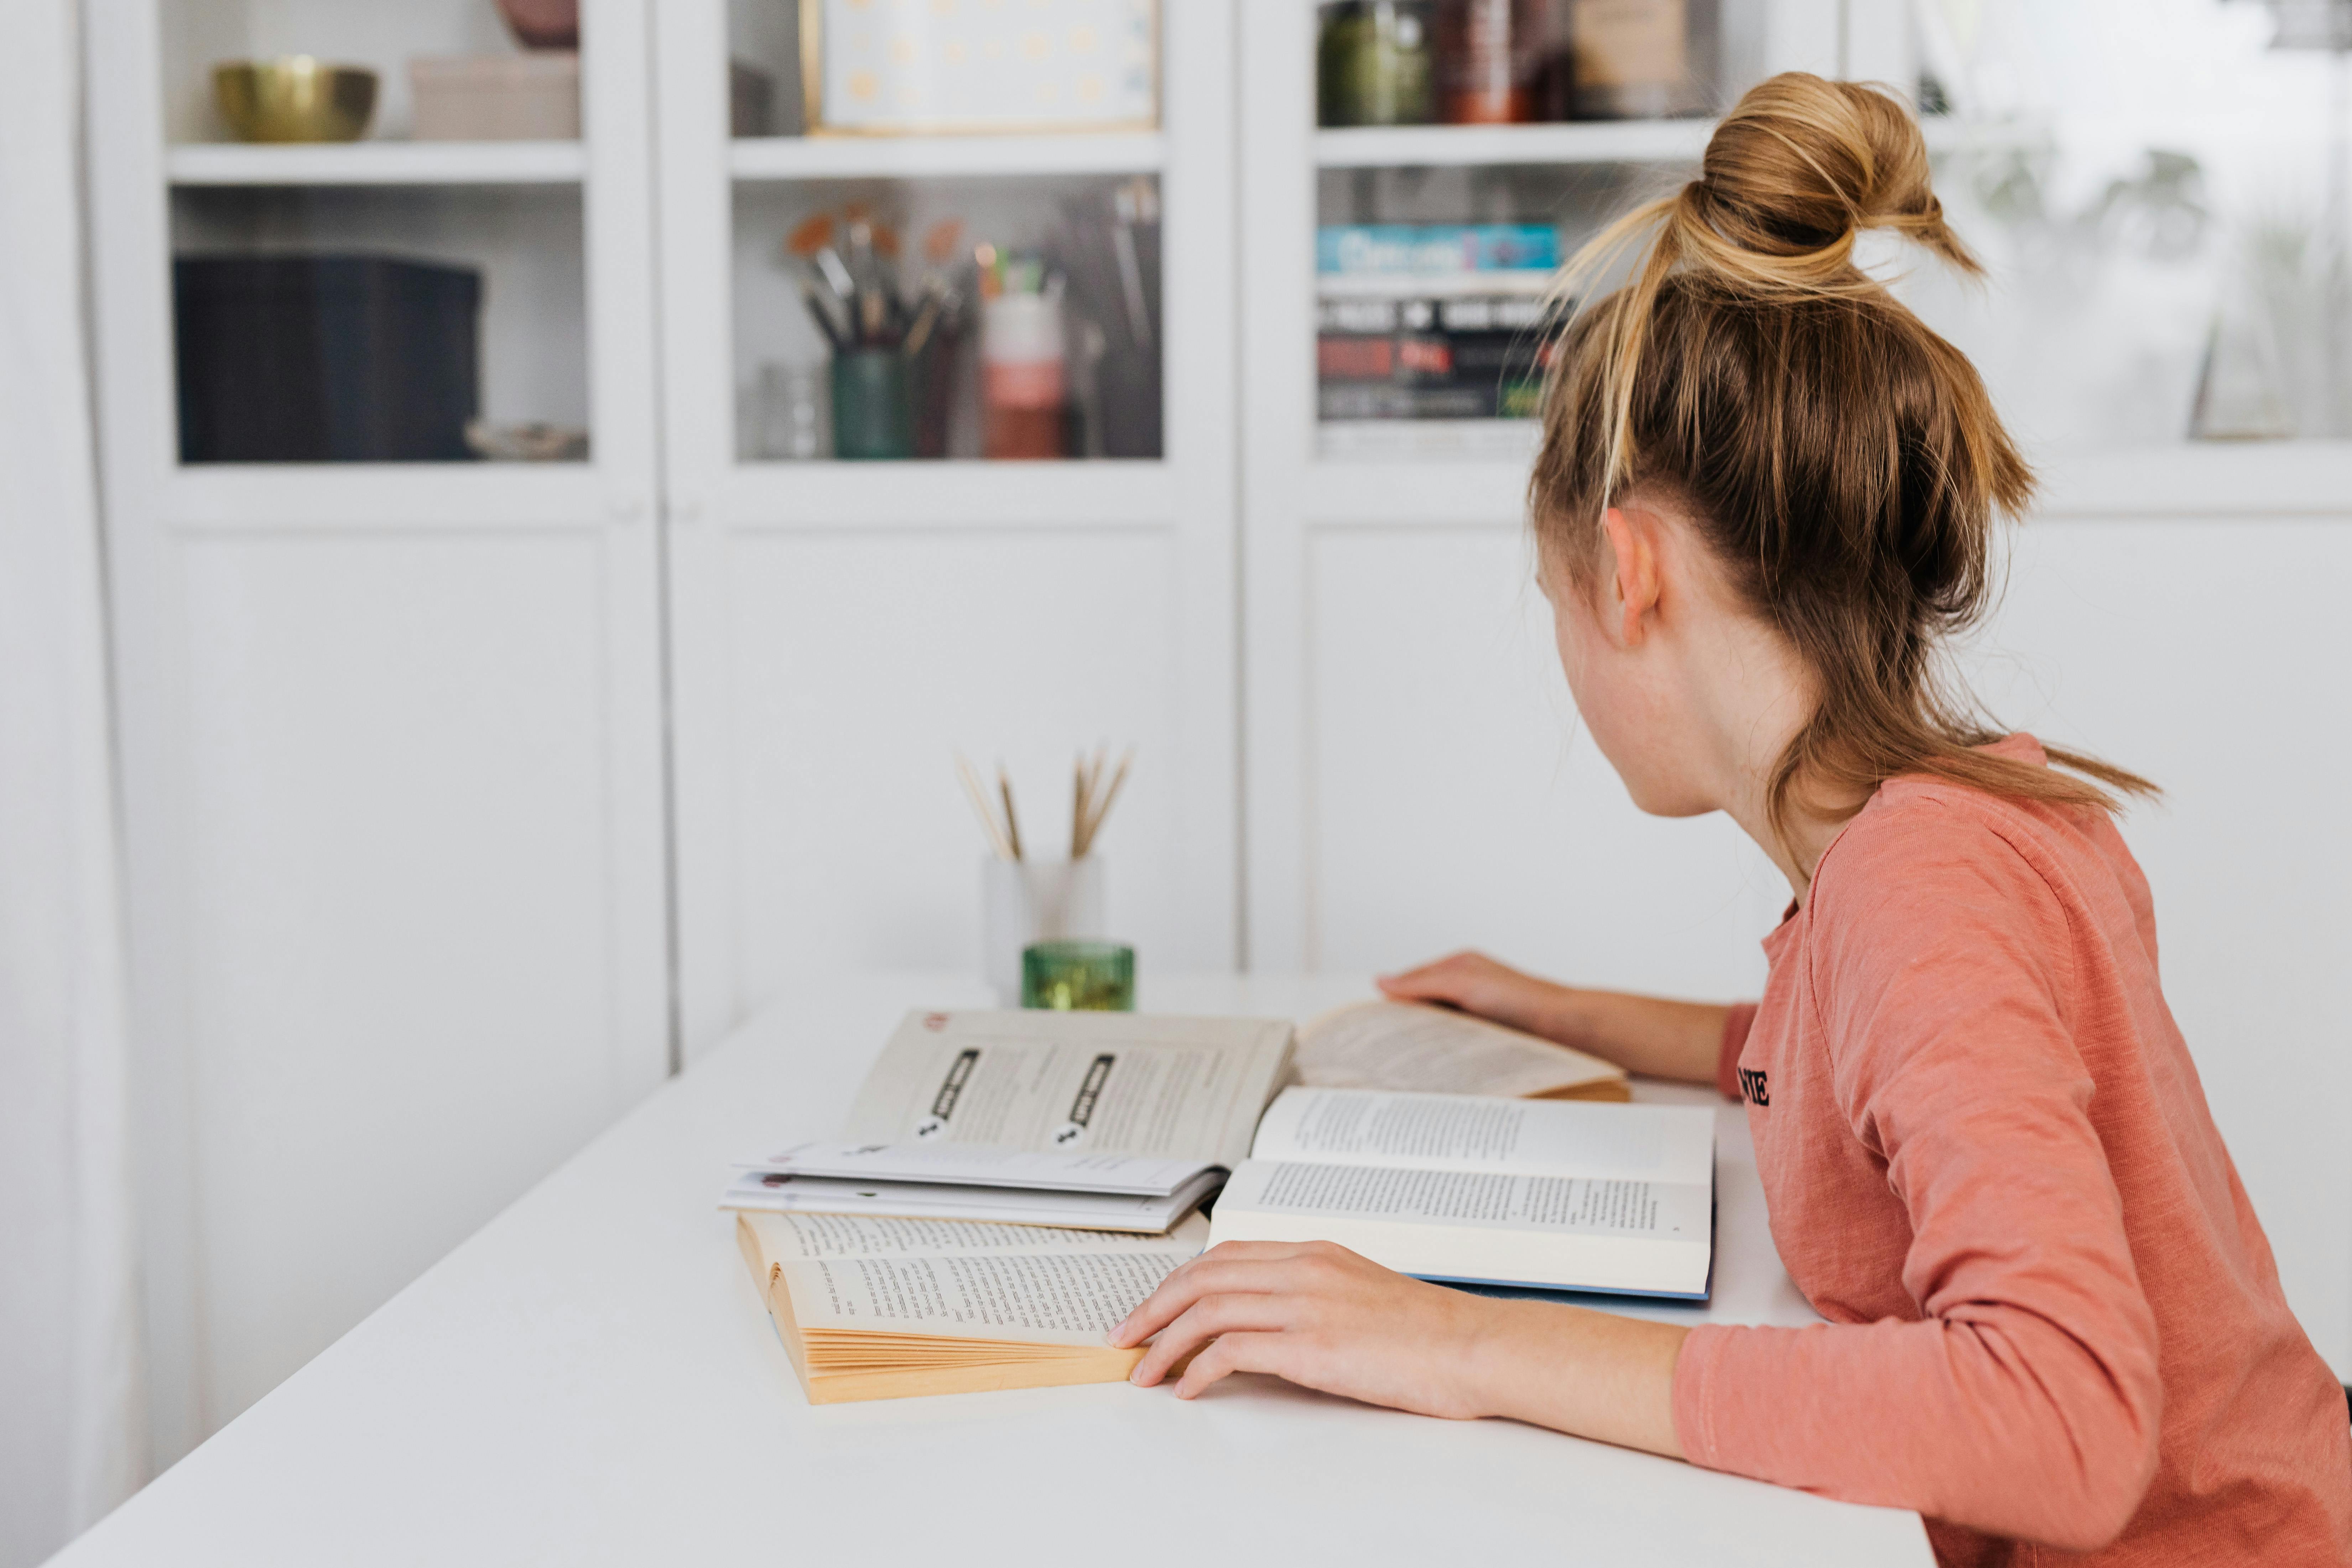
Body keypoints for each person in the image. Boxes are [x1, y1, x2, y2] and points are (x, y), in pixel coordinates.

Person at [1110, 72, 2352, 1565]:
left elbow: (2064, 1419)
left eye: (1553, 594)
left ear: (1625, 572)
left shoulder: (1918, 889)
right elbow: (1873, 1074)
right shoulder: (1954, 826)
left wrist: (1459, 1344)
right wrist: (1566, 1014)